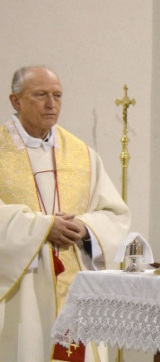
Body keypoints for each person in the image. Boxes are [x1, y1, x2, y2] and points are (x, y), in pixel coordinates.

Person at [0, 66, 130, 361]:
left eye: (57, 96)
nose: (51, 104)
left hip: (75, 286)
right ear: (15, 100)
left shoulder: (82, 154)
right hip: (23, 292)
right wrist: (42, 228)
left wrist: (84, 228)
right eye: (40, 95)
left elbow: (114, 214)